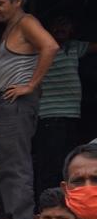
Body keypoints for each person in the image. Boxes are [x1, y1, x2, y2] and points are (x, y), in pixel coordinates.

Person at [0, 0, 58, 219]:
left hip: (17, 103)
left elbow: (50, 46)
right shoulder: (13, 26)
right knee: (7, 161)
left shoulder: (26, 22)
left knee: (14, 162)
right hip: (7, 104)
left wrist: (30, 85)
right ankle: (13, 217)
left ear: (17, 2)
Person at [35, 16, 96, 201]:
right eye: (57, 24)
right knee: (51, 165)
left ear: (72, 29)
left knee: (68, 163)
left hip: (71, 116)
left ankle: (66, 205)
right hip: (50, 115)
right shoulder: (41, 49)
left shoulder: (74, 47)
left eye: (66, 24)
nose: (61, 28)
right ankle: (47, 206)